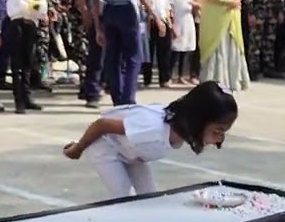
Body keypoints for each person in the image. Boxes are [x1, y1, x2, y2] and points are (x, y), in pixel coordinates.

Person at [62, 81, 238, 199]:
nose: (220, 139)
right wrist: (77, 149)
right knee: (124, 196)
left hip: (132, 153)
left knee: (150, 197)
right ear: (197, 119)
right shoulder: (152, 128)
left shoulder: (180, 130)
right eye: (218, 131)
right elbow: (102, 125)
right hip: (106, 147)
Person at [95, 0, 164, 105]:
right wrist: (155, 15)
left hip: (109, 9)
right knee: (133, 56)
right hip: (126, 9)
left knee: (113, 57)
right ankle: (128, 98)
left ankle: (117, 98)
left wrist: (98, 27)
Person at [6, 0, 48, 113]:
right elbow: (13, 9)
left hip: (32, 25)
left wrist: (35, 10)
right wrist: (29, 8)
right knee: (17, 65)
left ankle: (27, 97)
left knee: (28, 63)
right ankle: (19, 101)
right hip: (18, 24)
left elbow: (42, 8)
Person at [143, 0, 174, 87]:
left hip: (164, 23)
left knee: (164, 52)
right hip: (151, 24)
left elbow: (167, 10)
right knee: (149, 52)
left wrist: (170, 23)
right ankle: (147, 78)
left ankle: (164, 78)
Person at [169, 0, 198, 85]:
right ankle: (170, 75)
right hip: (177, 24)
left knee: (186, 52)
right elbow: (169, 12)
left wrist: (196, 5)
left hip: (188, 24)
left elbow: (197, 8)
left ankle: (182, 75)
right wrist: (172, 27)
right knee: (175, 52)